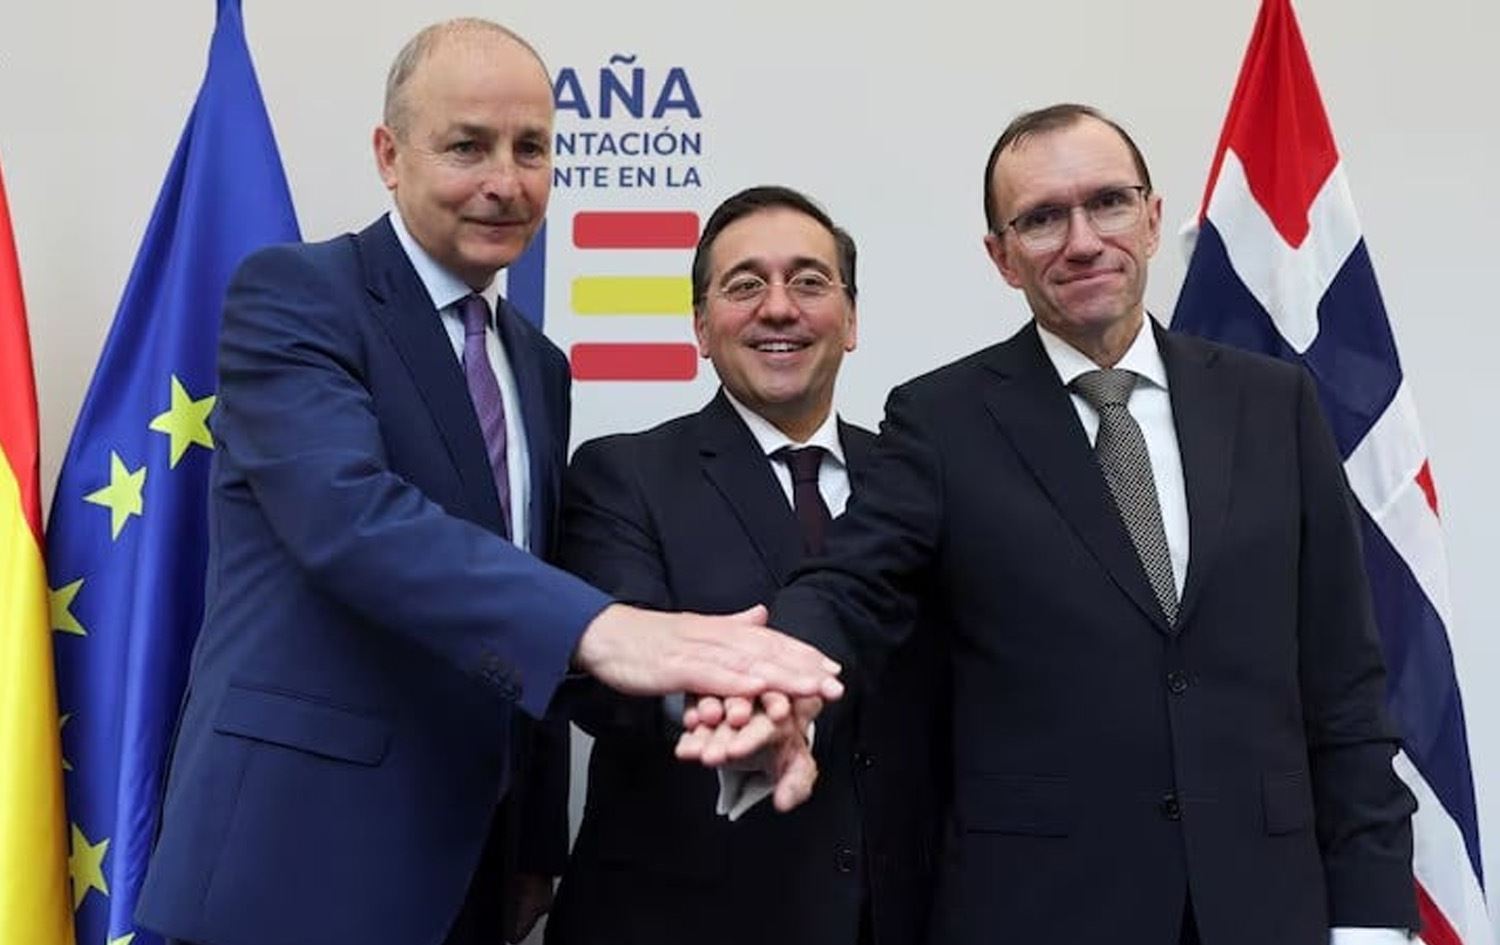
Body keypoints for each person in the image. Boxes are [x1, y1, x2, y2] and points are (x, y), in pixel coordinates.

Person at [134, 20, 840, 945]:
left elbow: (517, 593)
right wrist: (610, 628)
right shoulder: (297, 294)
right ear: (390, 156)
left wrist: (537, 837)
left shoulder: (537, 365)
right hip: (296, 862)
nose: (506, 181)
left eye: (531, 148)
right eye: (468, 146)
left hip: (471, 867)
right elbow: (352, 519)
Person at [684, 105, 1418, 945]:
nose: (1081, 241)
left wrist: (1372, 916)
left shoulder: (1274, 403)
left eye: (1107, 203)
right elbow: (850, 583)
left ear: (1151, 218)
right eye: (1040, 219)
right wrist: (772, 680)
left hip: (1265, 908)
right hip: (1042, 909)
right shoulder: (942, 419)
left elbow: (1344, 682)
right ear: (1000, 256)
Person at [544, 186, 947, 945]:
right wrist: (729, 713)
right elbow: (608, 681)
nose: (779, 308)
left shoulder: (919, 475)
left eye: (809, 281)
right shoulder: (622, 475)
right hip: (683, 921)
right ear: (701, 326)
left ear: (851, 319)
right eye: (745, 285)